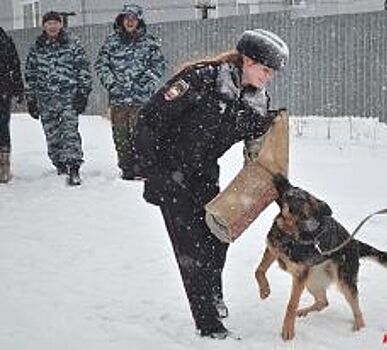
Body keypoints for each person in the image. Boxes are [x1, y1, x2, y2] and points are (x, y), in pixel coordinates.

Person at [134, 29, 289, 338]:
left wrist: (280, 187)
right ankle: (208, 324)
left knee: (216, 239)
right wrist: (152, 172)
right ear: (247, 60)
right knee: (191, 252)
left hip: (204, 175)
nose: (269, 76)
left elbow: (260, 150)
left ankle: (212, 297)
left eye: (272, 72)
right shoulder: (203, 79)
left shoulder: (257, 101)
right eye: (265, 69)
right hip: (171, 174)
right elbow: (149, 120)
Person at [95, 4, 166, 180]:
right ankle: (126, 166)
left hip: (141, 99)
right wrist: (111, 83)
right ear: (122, 20)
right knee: (121, 136)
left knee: (142, 134)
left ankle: (142, 166)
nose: (130, 22)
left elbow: (159, 65)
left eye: (133, 19)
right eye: (127, 18)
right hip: (118, 99)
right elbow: (101, 65)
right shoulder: (111, 42)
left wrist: (148, 82)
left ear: (139, 21)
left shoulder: (149, 42)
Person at [25, 11, 92, 186]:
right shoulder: (37, 48)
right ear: (44, 26)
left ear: (61, 25)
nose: (52, 26)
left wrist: (83, 93)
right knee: (52, 135)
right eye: (49, 23)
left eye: (56, 23)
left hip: (68, 98)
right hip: (46, 99)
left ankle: (74, 167)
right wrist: (31, 99)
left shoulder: (72, 45)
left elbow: (83, 69)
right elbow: (30, 74)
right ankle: (60, 165)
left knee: (70, 133)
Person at [0, 26, 24, 183]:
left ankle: (3, 165)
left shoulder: (4, 40)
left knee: (2, 127)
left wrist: (18, 87)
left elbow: (14, 65)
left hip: (2, 90)